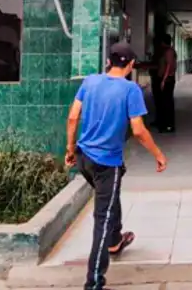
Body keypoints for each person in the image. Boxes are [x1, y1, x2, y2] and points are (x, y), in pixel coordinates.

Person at [64, 42, 167, 290]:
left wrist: (70, 149)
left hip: (84, 158)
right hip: (105, 164)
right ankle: (94, 282)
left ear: (109, 62)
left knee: (109, 197)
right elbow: (139, 131)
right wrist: (158, 154)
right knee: (104, 216)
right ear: (130, 65)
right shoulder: (130, 90)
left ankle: (115, 240)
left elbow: (72, 116)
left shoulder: (90, 81)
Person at [151, 35, 177, 133]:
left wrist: (163, 80)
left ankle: (169, 125)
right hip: (164, 79)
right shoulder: (165, 51)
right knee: (162, 102)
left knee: (167, 102)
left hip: (167, 80)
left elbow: (169, 65)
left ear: (163, 42)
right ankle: (161, 122)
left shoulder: (169, 51)